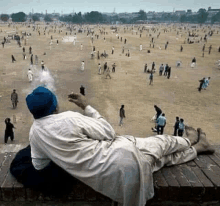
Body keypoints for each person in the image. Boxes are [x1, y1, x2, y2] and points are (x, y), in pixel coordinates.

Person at [10, 86, 215, 206]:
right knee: (162, 143)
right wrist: (86, 106)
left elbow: (38, 166)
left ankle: (198, 148)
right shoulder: (68, 118)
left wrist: (65, 156)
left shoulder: (35, 133)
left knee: (161, 160)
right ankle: (191, 141)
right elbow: (108, 132)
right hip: (121, 155)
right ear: (55, 105)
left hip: (111, 180)